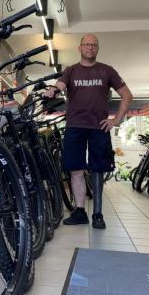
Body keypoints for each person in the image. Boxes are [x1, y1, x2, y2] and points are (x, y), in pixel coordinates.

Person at [45, 34, 133, 229]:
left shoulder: (107, 70)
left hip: (98, 127)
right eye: (86, 44)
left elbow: (127, 95)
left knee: (98, 170)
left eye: (94, 45)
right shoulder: (71, 70)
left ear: (98, 49)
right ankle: (80, 212)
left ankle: (98, 214)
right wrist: (53, 91)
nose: (90, 47)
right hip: (74, 126)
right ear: (79, 48)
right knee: (76, 169)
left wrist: (116, 119)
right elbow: (59, 86)